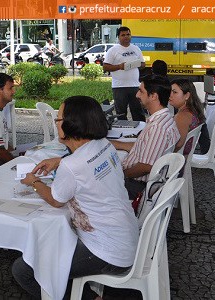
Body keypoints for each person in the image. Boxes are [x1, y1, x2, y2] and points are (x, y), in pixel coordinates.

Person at [13, 96, 138, 300]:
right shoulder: (104, 145)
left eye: (59, 119)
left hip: (106, 251)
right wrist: (60, 161)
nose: (56, 123)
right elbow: (83, 165)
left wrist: (33, 182)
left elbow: (55, 200)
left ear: (72, 124)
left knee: (25, 270)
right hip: (125, 236)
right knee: (56, 244)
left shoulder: (72, 166)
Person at [111, 74, 180, 200]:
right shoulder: (165, 119)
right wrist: (117, 144)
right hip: (141, 182)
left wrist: (120, 175)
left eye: (141, 91)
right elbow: (146, 147)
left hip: (137, 186)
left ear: (153, 96)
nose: (137, 95)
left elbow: (145, 167)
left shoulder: (158, 127)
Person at [103, 26, 146, 122]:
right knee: (121, 113)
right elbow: (105, 67)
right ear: (118, 37)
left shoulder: (136, 49)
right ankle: (123, 133)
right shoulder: (113, 50)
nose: (126, 37)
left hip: (135, 85)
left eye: (128, 34)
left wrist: (137, 64)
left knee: (138, 111)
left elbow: (143, 64)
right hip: (119, 87)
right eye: (123, 35)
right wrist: (119, 67)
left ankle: (140, 132)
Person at [170, 79, 206, 154]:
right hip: (184, 156)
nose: (170, 95)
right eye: (170, 91)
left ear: (187, 96)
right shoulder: (191, 111)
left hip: (177, 159)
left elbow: (178, 144)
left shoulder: (183, 116)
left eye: (174, 92)